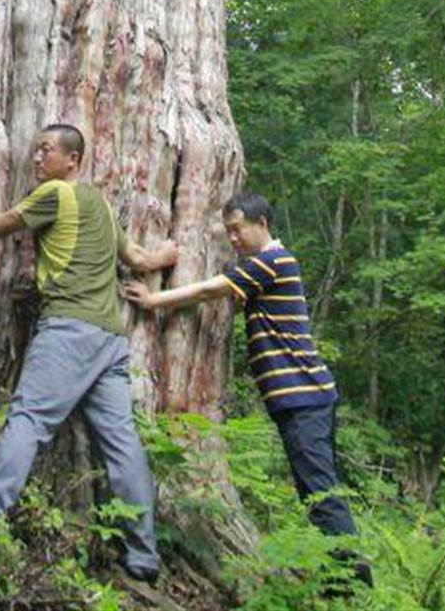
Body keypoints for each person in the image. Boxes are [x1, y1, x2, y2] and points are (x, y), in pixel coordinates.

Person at [0, 123, 177, 586]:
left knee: (27, 420)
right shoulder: (101, 205)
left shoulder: (55, 195)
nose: (37, 158)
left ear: (73, 161)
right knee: (122, 444)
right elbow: (140, 260)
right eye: (36, 149)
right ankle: (144, 555)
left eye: (47, 150)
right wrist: (170, 253)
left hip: (68, 331)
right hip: (109, 339)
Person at [124, 190, 372, 588]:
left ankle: (352, 587)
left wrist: (154, 300)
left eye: (238, 230)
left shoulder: (272, 262)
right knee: (316, 487)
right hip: (304, 397)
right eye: (228, 232)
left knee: (320, 491)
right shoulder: (269, 266)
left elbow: (210, 291)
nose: (233, 239)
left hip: (304, 396)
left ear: (262, 223)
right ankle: (341, 578)